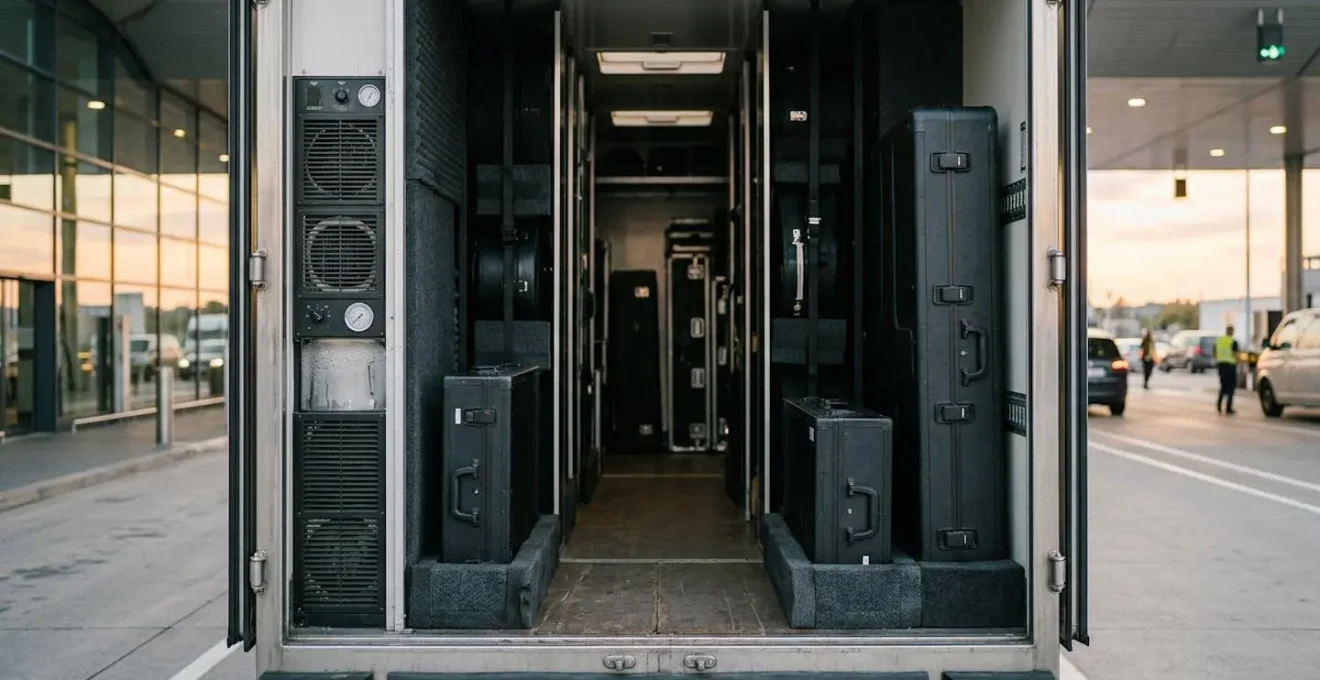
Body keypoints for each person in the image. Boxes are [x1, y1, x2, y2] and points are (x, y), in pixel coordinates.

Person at [1215, 325, 1240, 414]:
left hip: (1221, 365)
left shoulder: (1219, 341)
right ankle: (1228, 408)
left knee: (1223, 386)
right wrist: (1238, 363)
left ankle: (1219, 405)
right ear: (1232, 332)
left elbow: (1215, 353)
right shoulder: (1233, 341)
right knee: (1231, 387)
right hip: (1230, 366)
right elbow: (1236, 354)